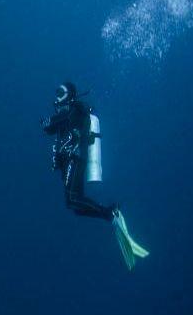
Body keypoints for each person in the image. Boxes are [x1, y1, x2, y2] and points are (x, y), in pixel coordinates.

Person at [42, 82, 148, 270]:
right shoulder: (66, 114)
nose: (57, 96)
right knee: (75, 206)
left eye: (61, 92)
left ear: (70, 95)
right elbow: (50, 128)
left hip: (76, 159)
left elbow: (53, 123)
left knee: (73, 199)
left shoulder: (75, 109)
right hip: (70, 161)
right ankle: (110, 214)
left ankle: (111, 213)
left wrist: (49, 121)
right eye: (56, 92)